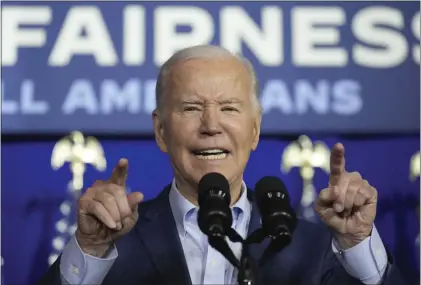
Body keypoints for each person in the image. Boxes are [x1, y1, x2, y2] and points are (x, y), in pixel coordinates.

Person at [37, 45, 408, 285]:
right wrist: (88, 250)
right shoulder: (112, 246)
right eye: (191, 108)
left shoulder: (314, 248)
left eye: (229, 108)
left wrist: (358, 243)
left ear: (255, 130)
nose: (211, 125)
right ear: (161, 130)